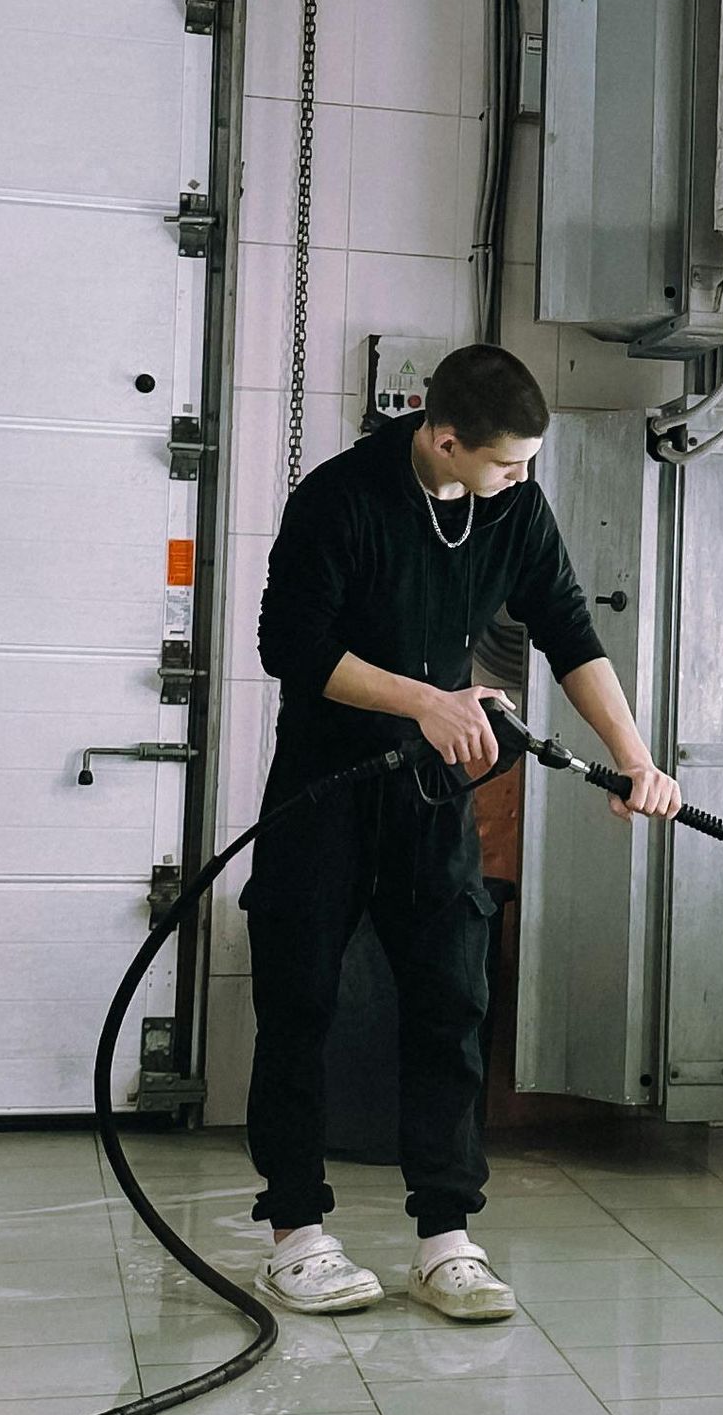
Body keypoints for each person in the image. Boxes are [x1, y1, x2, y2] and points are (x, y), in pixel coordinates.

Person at [243, 343, 681, 1321]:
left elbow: (568, 627)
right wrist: (426, 700)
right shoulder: (341, 499)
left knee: (451, 1001)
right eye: (507, 462)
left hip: (431, 799)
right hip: (325, 789)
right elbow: (291, 646)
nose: (523, 478)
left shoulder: (514, 508)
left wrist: (638, 757)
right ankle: (296, 1237)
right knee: (300, 1000)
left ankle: (445, 1241)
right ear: (444, 439)